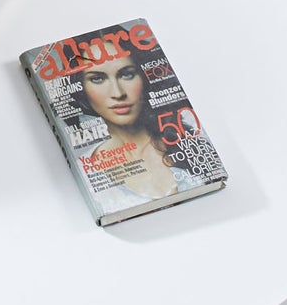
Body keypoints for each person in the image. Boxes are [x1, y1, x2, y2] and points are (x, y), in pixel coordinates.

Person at [72, 53, 205, 205]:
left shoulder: (190, 127)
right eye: (97, 78)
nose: (118, 93)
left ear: (143, 76)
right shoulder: (85, 171)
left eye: (127, 74)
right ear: (81, 88)